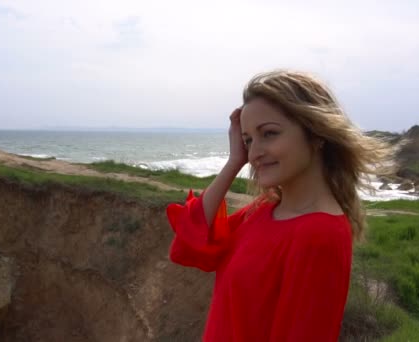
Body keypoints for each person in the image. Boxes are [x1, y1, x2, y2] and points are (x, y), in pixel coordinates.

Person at [166, 70, 394, 341]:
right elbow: (189, 247)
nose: (254, 153)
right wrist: (233, 162)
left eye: (269, 133)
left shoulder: (319, 236)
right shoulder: (264, 209)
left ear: (316, 134)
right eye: (248, 139)